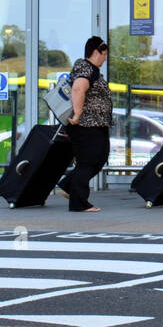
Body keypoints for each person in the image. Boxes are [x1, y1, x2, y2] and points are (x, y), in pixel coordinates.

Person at [60, 36, 112, 212]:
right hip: (85, 124)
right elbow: (78, 88)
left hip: (97, 124)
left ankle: (69, 184)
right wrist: (77, 114)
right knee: (87, 161)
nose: (105, 58)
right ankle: (79, 203)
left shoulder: (92, 69)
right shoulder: (85, 67)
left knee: (101, 156)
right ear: (95, 52)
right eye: (103, 54)